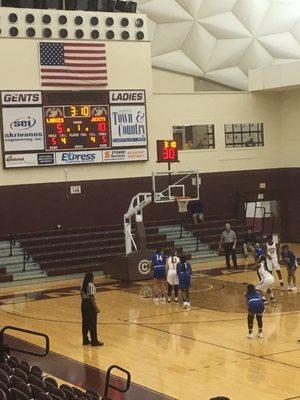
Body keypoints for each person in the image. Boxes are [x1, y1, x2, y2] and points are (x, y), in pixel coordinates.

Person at [81, 272, 103, 346]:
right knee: (92, 323)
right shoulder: (91, 286)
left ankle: (85, 340)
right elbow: (91, 298)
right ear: (91, 278)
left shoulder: (82, 285)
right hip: (89, 305)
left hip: (83, 304)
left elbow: (81, 295)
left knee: (85, 323)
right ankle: (94, 341)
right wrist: (96, 308)